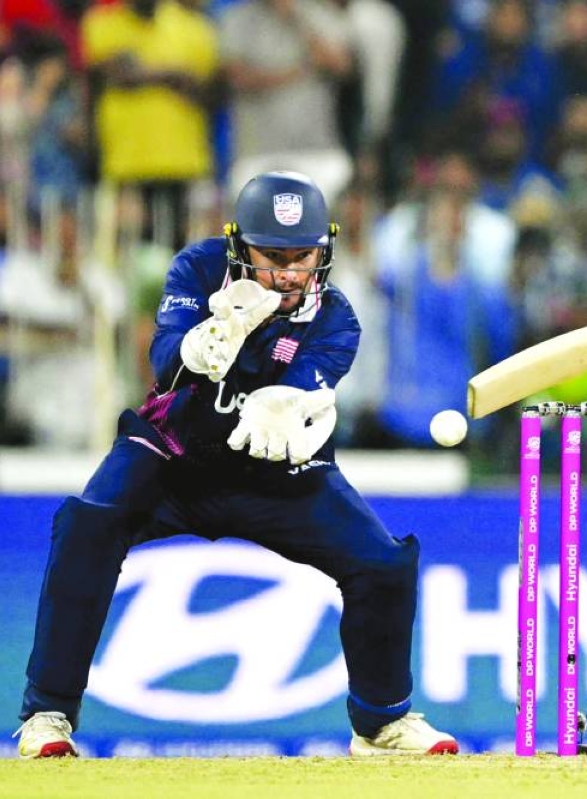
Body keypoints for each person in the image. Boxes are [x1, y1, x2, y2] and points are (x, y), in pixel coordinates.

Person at [14, 172, 457, 759]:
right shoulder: (198, 271)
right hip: (170, 459)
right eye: (272, 256)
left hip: (274, 473)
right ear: (237, 246)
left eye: (303, 257)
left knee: (383, 563)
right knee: (86, 526)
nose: (289, 273)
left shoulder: (338, 321)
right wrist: (199, 346)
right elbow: (165, 360)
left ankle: (381, 725)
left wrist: (288, 405)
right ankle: (47, 714)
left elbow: (305, 389)